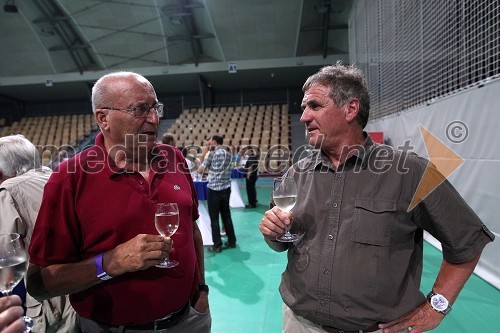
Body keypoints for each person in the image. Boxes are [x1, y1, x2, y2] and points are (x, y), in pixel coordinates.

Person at [259, 62, 495, 333]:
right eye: (304, 108)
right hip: (300, 324)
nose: (304, 117)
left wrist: (436, 306)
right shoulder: (296, 173)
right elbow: (281, 240)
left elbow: (468, 240)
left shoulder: (409, 172)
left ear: (350, 109)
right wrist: (272, 232)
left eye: (315, 106)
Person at [26, 71, 211, 332]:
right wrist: (111, 263)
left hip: (189, 319)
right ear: (103, 118)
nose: (155, 119)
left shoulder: (174, 158)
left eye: (156, 108)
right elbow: (39, 283)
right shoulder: (70, 178)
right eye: (140, 110)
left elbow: (191, 230)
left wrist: (201, 290)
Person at [0, 134, 79, 333]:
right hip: (83, 292)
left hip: (51, 304)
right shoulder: (59, 178)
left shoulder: (8, 192)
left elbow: (5, 254)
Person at [197, 135, 236, 252]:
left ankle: (217, 245)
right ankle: (232, 241)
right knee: (226, 216)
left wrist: (204, 154)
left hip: (214, 190)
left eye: (210, 142)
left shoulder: (212, 153)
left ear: (214, 142)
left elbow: (201, 169)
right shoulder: (229, 153)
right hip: (226, 188)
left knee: (214, 219)